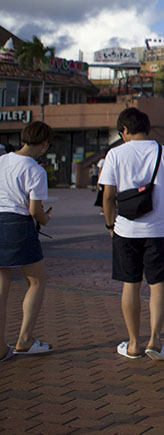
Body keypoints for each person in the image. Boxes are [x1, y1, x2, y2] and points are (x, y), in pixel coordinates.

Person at [100, 107, 164, 361]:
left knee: (130, 284)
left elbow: (108, 196)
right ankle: (155, 340)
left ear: (124, 130)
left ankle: (133, 343)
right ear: (147, 127)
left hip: (125, 231)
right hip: (158, 231)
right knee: (158, 284)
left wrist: (110, 225)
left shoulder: (115, 154)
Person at [0, 121, 54, 359]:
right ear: (44, 144)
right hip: (18, 225)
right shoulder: (35, 170)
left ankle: (1, 347)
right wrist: (46, 219)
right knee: (36, 280)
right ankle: (25, 339)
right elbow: (35, 210)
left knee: (1, 285)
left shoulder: (1, 160)